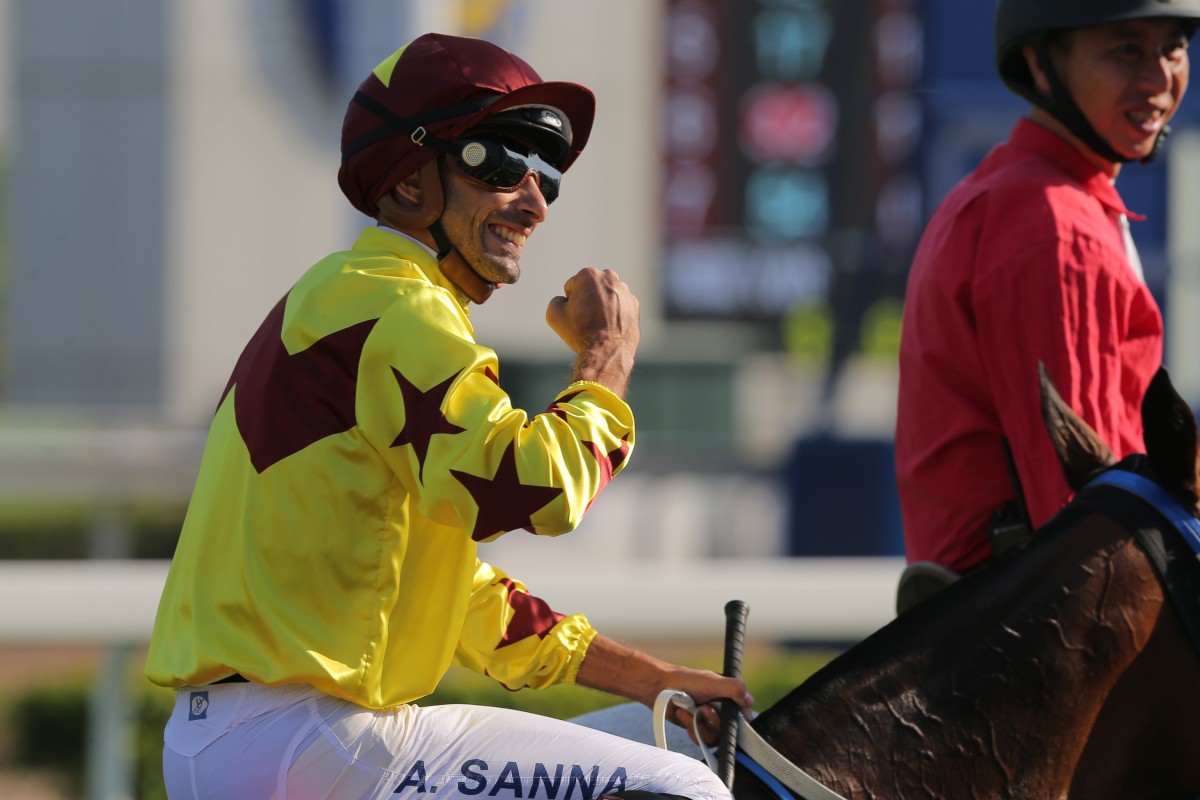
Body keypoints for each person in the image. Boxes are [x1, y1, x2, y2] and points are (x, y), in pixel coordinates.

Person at [145, 32, 751, 800]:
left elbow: (451, 590)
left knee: (660, 740)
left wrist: (647, 678)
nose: (532, 201)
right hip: (313, 739)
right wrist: (605, 362)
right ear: (406, 187)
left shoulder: (349, 296)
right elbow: (531, 488)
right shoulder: (402, 305)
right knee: (682, 789)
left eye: (547, 177)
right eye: (498, 164)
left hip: (238, 741)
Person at [895, 0, 1200, 592]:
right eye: (1126, 50)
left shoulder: (1026, 194)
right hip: (1028, 630)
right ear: (1039, 62)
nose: (1161, 78)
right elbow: (1091, 511)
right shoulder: (1054, 225)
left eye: (1173, 47)